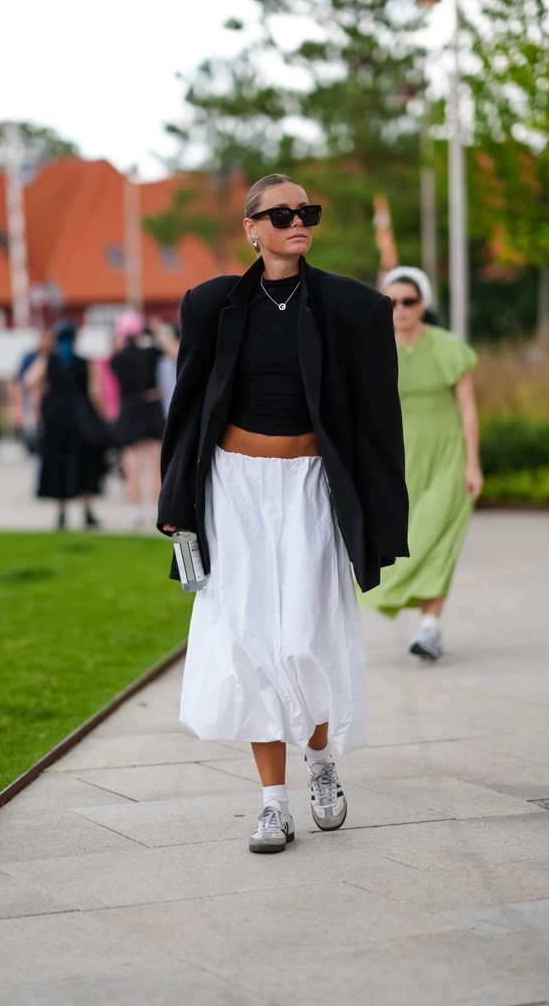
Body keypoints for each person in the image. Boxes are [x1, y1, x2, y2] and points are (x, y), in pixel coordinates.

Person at [157, 173, 408, 854]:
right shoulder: (209, 305)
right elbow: (186, 411)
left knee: (302, 638)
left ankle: (320, 760)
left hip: (308, 487)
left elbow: (378, 423)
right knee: (248, 644)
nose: (297, 222)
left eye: (307, 212)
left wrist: (383, 516)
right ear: (251, 227)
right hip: (232, 488)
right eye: (282, 214)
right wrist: (176, 503)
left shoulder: (351, 309)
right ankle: (272, 803)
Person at [361, 266, 483, 660]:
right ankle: (424, 621)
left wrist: (473, 464)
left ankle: (430, 626)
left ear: (423, 303)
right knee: (408, 542)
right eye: (392, 302)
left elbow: (468, 408)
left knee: (438, 540)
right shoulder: (372, 348)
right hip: (399, 459)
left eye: (409, 301)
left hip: (448, 456)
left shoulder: (447, 346)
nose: (400, 309)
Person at [25, 320, 106, 530]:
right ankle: (88, 511)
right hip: (81, 417)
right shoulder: (86, 362)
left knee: (58, 462)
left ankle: (61, 513)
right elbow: (95, 393)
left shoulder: (49, 361)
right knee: (85, 463)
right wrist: (103, 417)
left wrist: (44, 355)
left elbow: (29, 380)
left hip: (56, 419)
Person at [110, 310, 165, 527]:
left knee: (131, 462)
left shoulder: (116, 359)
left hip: (130, 409)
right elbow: (171, 351)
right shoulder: (150, 352)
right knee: (156, 462)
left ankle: (134, 509)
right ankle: (155, 507)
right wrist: (156, 330)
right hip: (151, 406)